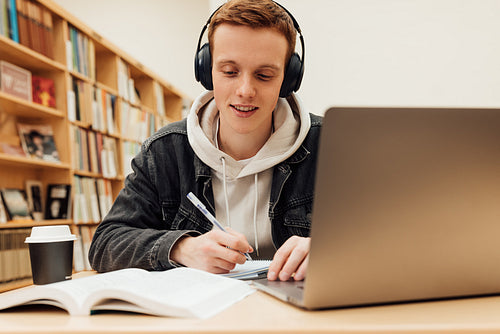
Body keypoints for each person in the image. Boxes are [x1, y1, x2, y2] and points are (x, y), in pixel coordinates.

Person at [88, 0, 322, 282]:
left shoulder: (331, 144)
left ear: (288, 79)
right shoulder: (165, 152)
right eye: (229, 71)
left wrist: (332, 248)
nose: (245, 91)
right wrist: (182, 248)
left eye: (264, 75)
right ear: (206, 70)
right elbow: (106, 244)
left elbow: (386, 232)